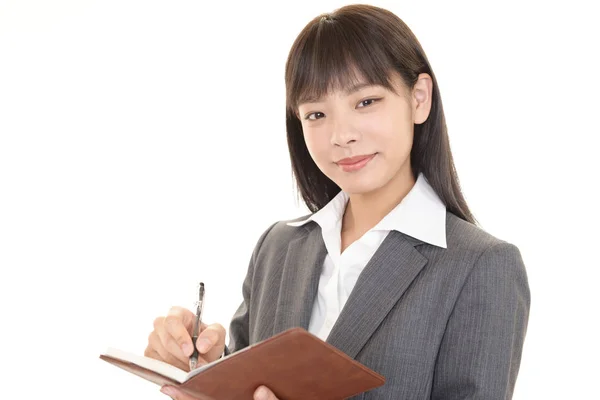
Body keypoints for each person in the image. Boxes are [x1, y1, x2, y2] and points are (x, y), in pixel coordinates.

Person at [145, 4, 531, 399]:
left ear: (419, 98)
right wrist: (204, 372)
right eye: (316, 114)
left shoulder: (480, 266)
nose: (341, 135)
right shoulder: (278, 247)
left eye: (365, 102)